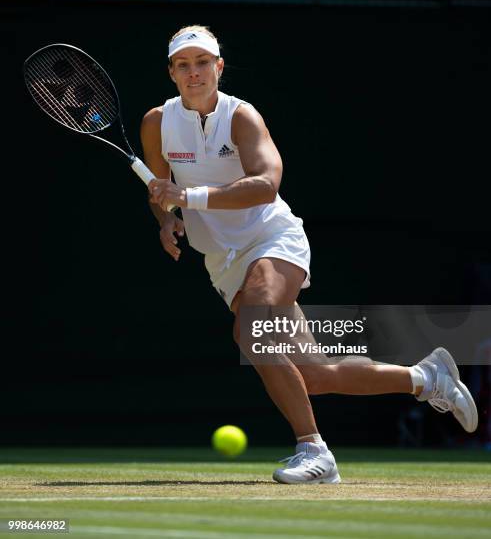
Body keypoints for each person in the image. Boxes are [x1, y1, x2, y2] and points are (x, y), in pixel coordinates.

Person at [140, 25, 478, 484]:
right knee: (314, 375)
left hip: (273, 238)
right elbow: (161, 189)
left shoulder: (243, 117)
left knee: (253, 329)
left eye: (203, 63)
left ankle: (314, 452)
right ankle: (425, 378)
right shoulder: (157, 123)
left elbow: (265, 185)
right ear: (172, 73)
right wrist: (167, 220)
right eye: (184, 64)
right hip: (223, 260)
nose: (194, 72)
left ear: (219, 68)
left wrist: (189, 198)